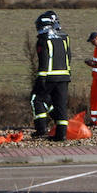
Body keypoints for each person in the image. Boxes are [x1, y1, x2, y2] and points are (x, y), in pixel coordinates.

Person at [32, 10, 72, 141]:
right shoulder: (65, 38)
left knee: (36, 99)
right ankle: (61, 135)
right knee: (60, 105)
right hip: (64, 77)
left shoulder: (43, 40)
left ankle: (41, 129)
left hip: (49, 76)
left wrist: (41, 78)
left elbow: (44, 60)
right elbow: (69, 57)